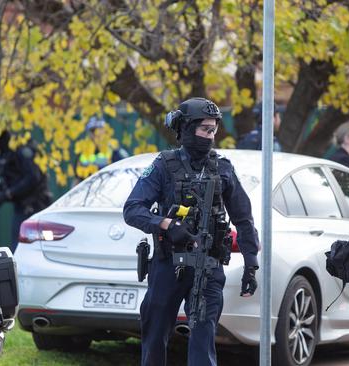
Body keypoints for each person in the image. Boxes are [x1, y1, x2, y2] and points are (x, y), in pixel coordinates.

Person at [123, 97, 259, 366]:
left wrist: (251, 266)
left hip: (208, 267)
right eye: (204, 130)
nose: (210, 136)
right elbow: (132, 209)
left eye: (213, 130)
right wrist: (166, 225)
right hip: (168, 266)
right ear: (185, 129)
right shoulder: (164, 165)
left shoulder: (223, 168)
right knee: (154, 336)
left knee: (203, 341)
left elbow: (244, 219)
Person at [0, 120, 51, 252]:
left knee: (28, 247)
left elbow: (32, 177)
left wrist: (7, 194)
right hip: (20, 207)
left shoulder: (21, 150)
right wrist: (0, 194)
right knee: (19, 246)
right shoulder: (4, 154)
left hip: (35, 207)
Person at [74, 115, 129, 182]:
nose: (96, 133)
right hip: (88, 186)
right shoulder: (83, 150)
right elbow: (77, 173)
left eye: (100, 129)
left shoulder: (112, 148)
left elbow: (124, 167)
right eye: (93, 130)